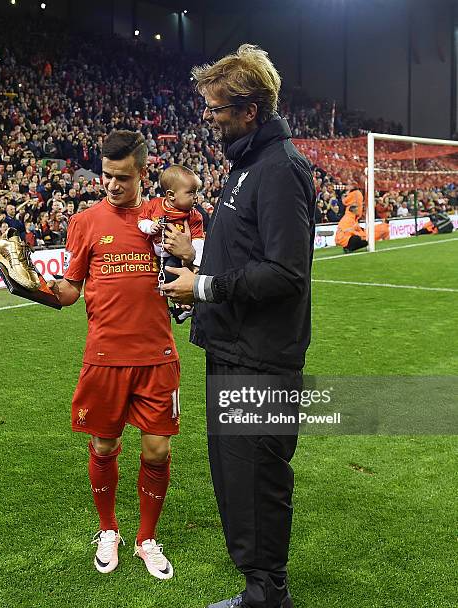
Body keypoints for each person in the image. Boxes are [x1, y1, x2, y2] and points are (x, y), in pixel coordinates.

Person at [0, 130, 187, 580]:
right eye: (106, 175)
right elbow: (68, 293)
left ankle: (147, 539)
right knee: (104, 444)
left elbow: (188, 270)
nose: (112, 185)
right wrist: (33, 287)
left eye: (122, 177)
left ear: (142, 173)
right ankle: (108, 529)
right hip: (104, 357)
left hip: (157, 355)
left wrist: (189, 259)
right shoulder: (84, 223)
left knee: (157, 450)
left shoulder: (165, 217)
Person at [163, 45, 315, 608]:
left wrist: (202, 286)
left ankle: (268, 595)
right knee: (235, 481)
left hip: (260, 360)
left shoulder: (279, 169)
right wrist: (197, 265)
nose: (211, 119)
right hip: (231, 348)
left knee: (257, 481)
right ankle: (258, 590)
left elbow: (284, 272)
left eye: (217, 109)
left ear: (250, 109)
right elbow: (247, 254)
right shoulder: (247, 166)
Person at [137, 164, 205, 284]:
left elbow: (198, 241)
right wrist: (150, 227)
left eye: (196, 192)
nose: (196, 197)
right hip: (152, 250)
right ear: (171, 195)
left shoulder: (194, 216)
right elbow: (141, 220)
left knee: (170, 274)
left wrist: (197, 264)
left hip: (175, 255)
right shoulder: (155, 205)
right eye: (191, 193)